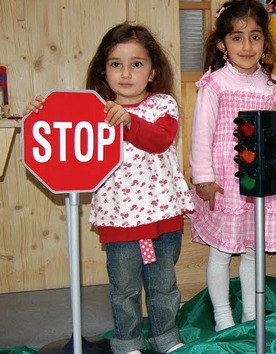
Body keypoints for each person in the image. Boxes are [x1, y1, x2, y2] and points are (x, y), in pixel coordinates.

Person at [24, 23, 194, 354]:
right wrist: (38, 115)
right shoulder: (94, 109)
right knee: (124, 289)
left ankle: (166, 337)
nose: (126, 73)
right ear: (104, 69)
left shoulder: (162, 105)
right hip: (118, 220)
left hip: (163, 217)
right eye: (116, 63)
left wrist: (129, 121)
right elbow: (64, 134)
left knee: (163, 287)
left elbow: (159, 140)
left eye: (137, 63)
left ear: (153, 69)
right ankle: (128, 342)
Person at [188, 0, 276, 332]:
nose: (246, 46)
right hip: (225, 184)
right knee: (220, 252)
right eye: (237, 37)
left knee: (252, 249)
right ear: (222, 44)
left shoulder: (275, 86)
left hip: (260, 183)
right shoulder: (215, 83)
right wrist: (203, 178)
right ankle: (222, 315)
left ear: (265, 42)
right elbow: (201, 133)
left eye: (255, 37)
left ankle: (250, 313)